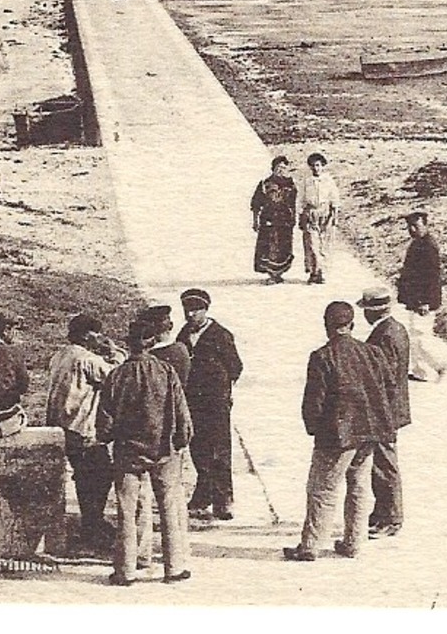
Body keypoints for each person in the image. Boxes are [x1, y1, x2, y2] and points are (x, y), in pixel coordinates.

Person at [283, 301, 395, 562]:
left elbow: (314, 401)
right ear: (352, 325)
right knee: (358, 486)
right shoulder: (372, 352)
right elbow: (389, 387)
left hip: (336, 435)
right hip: (368, 432)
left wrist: (313, 428)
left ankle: (310, 546)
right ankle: (354, 542)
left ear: (327, 326)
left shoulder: (322, 356)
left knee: (321, 489)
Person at [99, 317, 193, 586]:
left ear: (128, 345)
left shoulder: (117, 375)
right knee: (169, 508)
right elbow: (182, 414)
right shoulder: (166, 371)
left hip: (128, 452)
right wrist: (181, 440)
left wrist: (108, 439)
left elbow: (104, 421)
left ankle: (125, 571)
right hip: (164, 450)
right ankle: (173, 568)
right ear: (152, 342)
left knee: (127, 512)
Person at [47, 313, 121, 554]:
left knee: (86, 474)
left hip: (59, 424)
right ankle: (92, 526)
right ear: (87, 335)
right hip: (80, 427)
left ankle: (92, 522)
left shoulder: (61, 354)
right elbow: (117, 378)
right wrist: (115, 352)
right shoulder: (87, 359)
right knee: (100, 475)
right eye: (96, 333)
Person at [177, 288, 242, 521]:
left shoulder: (220, 335)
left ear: (206, 310)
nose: (191, 314)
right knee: (198, 448)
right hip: (192, 400)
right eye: (187, 310)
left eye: (196, 310)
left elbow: (235, 367)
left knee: (219, 449)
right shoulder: (184, 333)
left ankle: (224, 499)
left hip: (215, 401)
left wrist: (222, 389)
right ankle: (203, 495)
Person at [358, 286, 410, 538]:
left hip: (384, 411)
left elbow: (384, 377)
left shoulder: (385, 335)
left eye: (366, 310)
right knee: (382, 463)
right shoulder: (395, 329)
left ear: (374, 311)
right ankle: (382, 513)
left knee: (384, 465)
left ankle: (390, 518)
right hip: (390, 408)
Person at [398, 211, 447, 382]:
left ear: (425, 226)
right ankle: (420, 371)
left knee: (420, 336)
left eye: (416, 226)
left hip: (423, 301)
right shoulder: (418, 244)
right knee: (415, 335)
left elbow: (431, 277)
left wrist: (425, 301)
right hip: (416, 300)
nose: (412, 230)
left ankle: (439, 364)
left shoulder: (428, 247)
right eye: (409, 226)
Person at [250, 155, 299, 284]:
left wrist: (294, 218)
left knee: (284, 247)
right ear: (273, 169)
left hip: (285, 221)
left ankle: (279, 273)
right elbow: (256, 203)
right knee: (269, 248)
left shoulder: (291, 184)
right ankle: (272, 274)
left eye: (283, 167)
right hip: (268, 220)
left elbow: (293, 203)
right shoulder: (265, 183)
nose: (281, 170)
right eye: (278, 168)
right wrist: (255, 220)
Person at [297, 152, 340, 285]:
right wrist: (300, 216)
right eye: (313, 166)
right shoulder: (306, 181)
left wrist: (334, 216)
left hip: (325, 213)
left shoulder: (328, 180)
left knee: (324, 245)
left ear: (322, 166)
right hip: (310, 213)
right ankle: (313, 272)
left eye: (318, 165)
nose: (316, 168)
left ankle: (321, 272)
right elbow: (301, 199)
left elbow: (335, 199)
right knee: (311, 244)